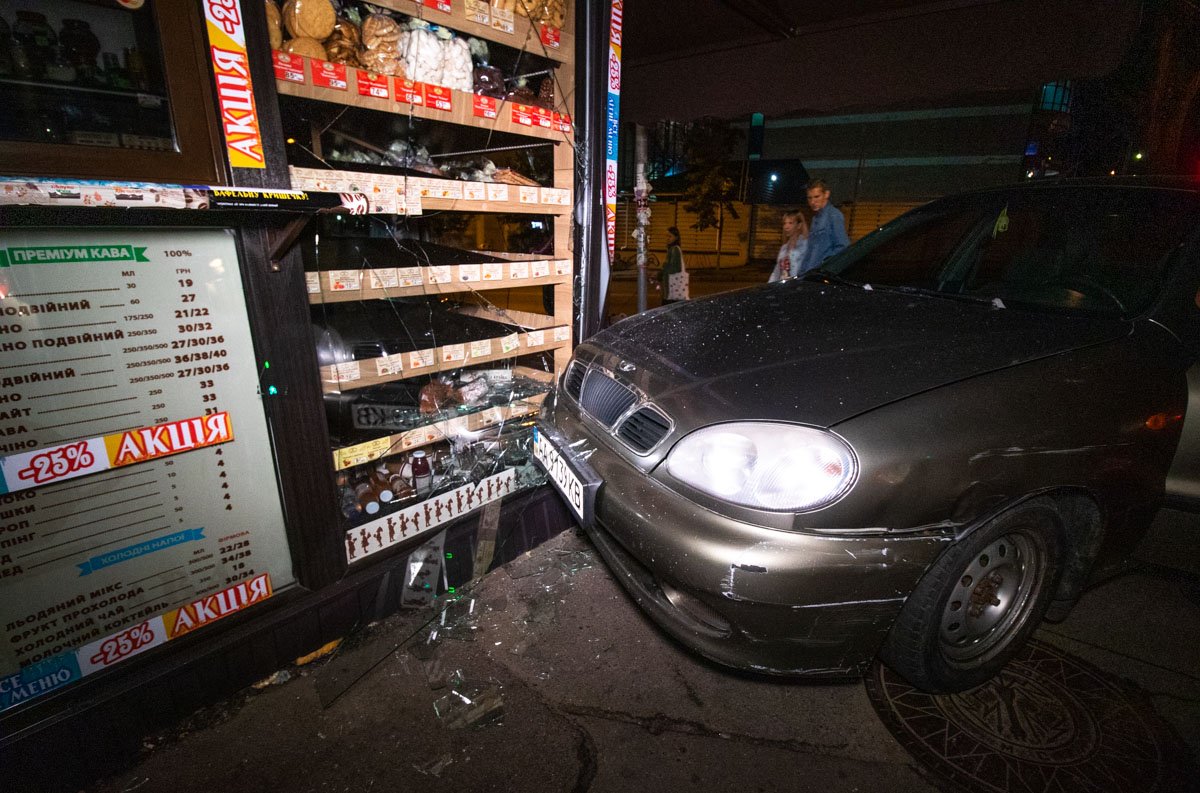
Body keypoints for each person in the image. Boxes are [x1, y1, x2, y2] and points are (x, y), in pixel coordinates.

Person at [795, 179, 849, 276]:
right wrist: (800, 274)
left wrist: (824, 268)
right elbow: (810, 250)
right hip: (810, 274)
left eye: (816, 197)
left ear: (826, 194)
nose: (812, 201)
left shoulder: (834, 215)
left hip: (821, 275)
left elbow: (842, 246)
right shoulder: (815, 218)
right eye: (809, 198)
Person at [768, 210, 808, 283]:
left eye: (790, 223)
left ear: (799, 225)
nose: (786, 227)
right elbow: (776, 272)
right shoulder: (784, 248)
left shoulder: (805, 246)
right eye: (784, 223)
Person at [658, 226, 685, 304]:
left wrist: (661, 272)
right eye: (666, 236)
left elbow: (674, 269)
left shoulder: (675, 250)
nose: (667, 238)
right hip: (671, 289)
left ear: (676, 237)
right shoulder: (672, 249)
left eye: (670, 236)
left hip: (672, 289)